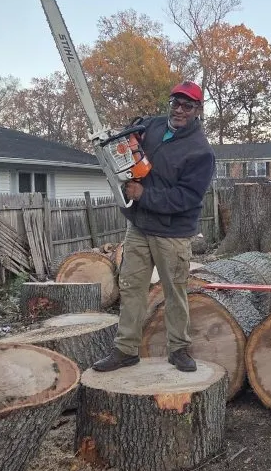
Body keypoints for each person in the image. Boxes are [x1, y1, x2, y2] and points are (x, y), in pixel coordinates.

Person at [92, 81, 215, 373]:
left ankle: (179, 349)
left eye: (188, 105)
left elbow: (187, 198)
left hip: (172, 232)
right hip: (139, 225)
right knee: (131, 286)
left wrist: (144, 194)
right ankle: (125, 349)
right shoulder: (153, 126)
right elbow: (129, 134)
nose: (180, 110)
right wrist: (122, 140)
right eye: (176, 102)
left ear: (198, 110)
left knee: (175, 291)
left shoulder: (201, 152)